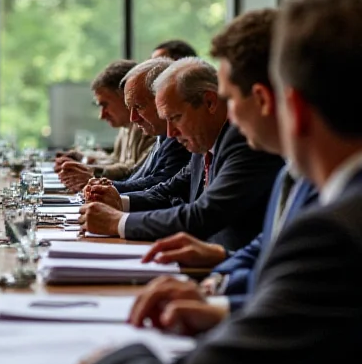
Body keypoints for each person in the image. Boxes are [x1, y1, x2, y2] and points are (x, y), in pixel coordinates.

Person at [74, 0, 362, 364]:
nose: (227, 114)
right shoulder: (312, 187)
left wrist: (105, 360)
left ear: (283, 105)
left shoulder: (333, 232)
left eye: (229, 99)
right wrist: (220, 305)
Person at [127, 9, 320, 331]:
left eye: (229, 99)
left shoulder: (337, 200)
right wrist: (216, 286)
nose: (230, 115)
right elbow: (266, 248)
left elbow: (298, 312)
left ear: (262, 99)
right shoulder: (297, 174)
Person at [80, 57, 282, 251]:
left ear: (210, 102)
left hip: (224, 270)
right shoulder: (202, 142)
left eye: (175, 117)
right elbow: (169, 190)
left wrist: (118, 222)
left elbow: (204, 214)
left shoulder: (243, 142)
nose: (170, 133)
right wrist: (120, 201)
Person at [84, 57, 190, 195]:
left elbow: (163, 187)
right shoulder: (161, 134)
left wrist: (107, 188)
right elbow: (141, 177)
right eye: (130, 107)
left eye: (138, 106)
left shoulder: (176, 136)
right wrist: (103, 186)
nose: (133, 118)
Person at [57, 60, 156, 191]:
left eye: (105, 105)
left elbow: (135, 172)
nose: (101, 115)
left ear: (125, 97)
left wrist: (92, 172)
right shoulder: (126, 127)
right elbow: (116, 160)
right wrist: (83, 158)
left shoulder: (151, 126)